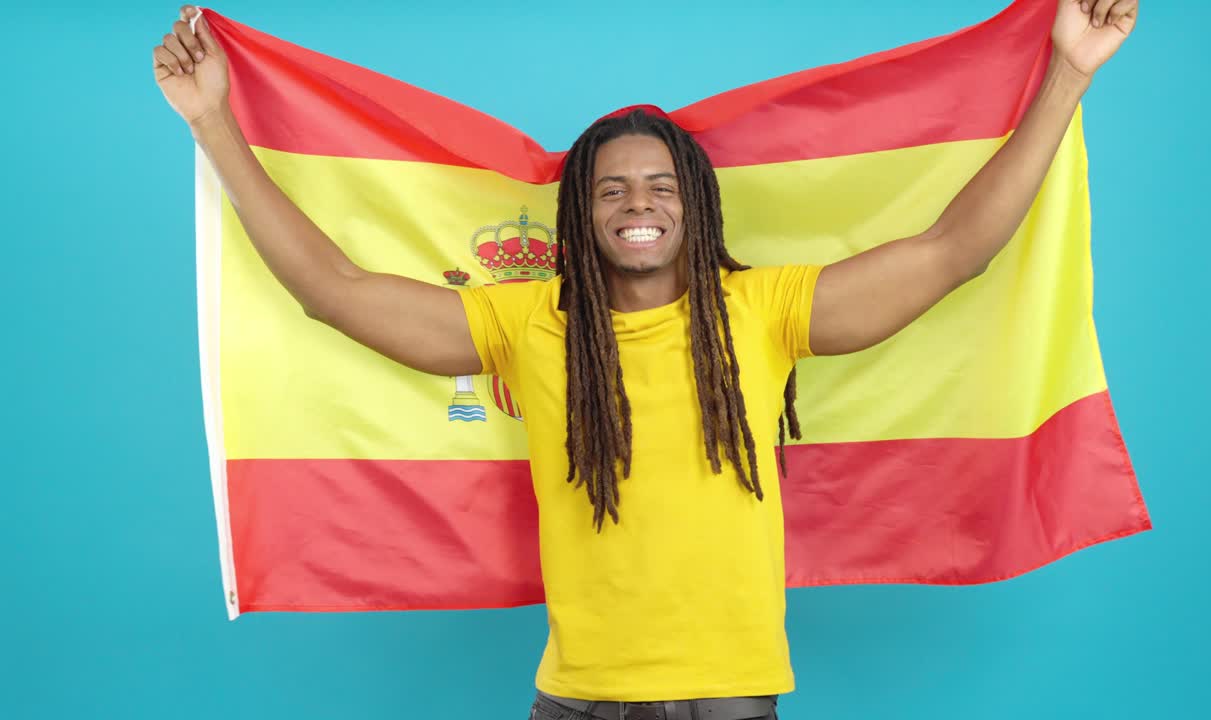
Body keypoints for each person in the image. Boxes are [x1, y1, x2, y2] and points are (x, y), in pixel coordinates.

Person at [153, 1, 1138, 717]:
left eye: (661, 186)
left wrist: (1067, 73)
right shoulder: (525, 321)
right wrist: (212, 123)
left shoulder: (759, 310)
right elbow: (332, 290)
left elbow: (952, 251)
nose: (638, 204)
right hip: (575, 697)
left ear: (693, 205)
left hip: (728, 697)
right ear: (580, 214)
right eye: (612, 189)